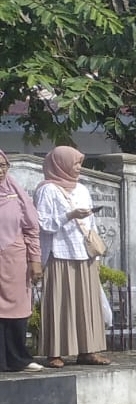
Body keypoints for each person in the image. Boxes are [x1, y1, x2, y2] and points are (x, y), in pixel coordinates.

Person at [33, 147, 110, 369]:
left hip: (84, 253)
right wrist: (70, 215)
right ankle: (54, 352)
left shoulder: (83, 189)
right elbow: (42, 223)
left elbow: (91, 223)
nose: (78, 168)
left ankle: (88, 350)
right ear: (61, 164)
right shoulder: (47, 190)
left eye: (79, 164)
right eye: (75, 164)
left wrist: (94, 252)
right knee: (60, 304)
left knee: (87, 304)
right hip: (60, 252)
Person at [0, 151, 43, 372]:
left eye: (3, 166)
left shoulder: (16, 195)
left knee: (17, 309)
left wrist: (35, 260)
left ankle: (19, 359)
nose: (0, 171)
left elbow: (31, 229)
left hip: (15, 258)